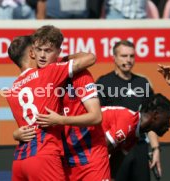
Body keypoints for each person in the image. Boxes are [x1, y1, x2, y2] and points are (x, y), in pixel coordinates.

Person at [13, 25, 111, 180]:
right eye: (39, 49)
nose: (42, 55)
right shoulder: (37, 77)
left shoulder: (79, 75)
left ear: (58, 52)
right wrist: (17, 134)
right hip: (62, 159)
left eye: (48, 50)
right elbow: (30, 117)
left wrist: (61, 120)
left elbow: (96, 117)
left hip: (90, 158)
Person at [95, 40, 161, 181]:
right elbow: (97, 120)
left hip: (139, 147)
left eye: (131, 56)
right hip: (115, 149)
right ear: (114, 57)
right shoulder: (103, 83)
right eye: (124, 56)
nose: (128, 60)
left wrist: (155, 149)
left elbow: (151, 120)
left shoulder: (143, 83)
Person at [101, 93, 170, 169]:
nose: (169, 125)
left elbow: (115, 164)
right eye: (167, 118)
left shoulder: (135, 135)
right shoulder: (128, 121)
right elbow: (99, 150)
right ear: (155, 115)